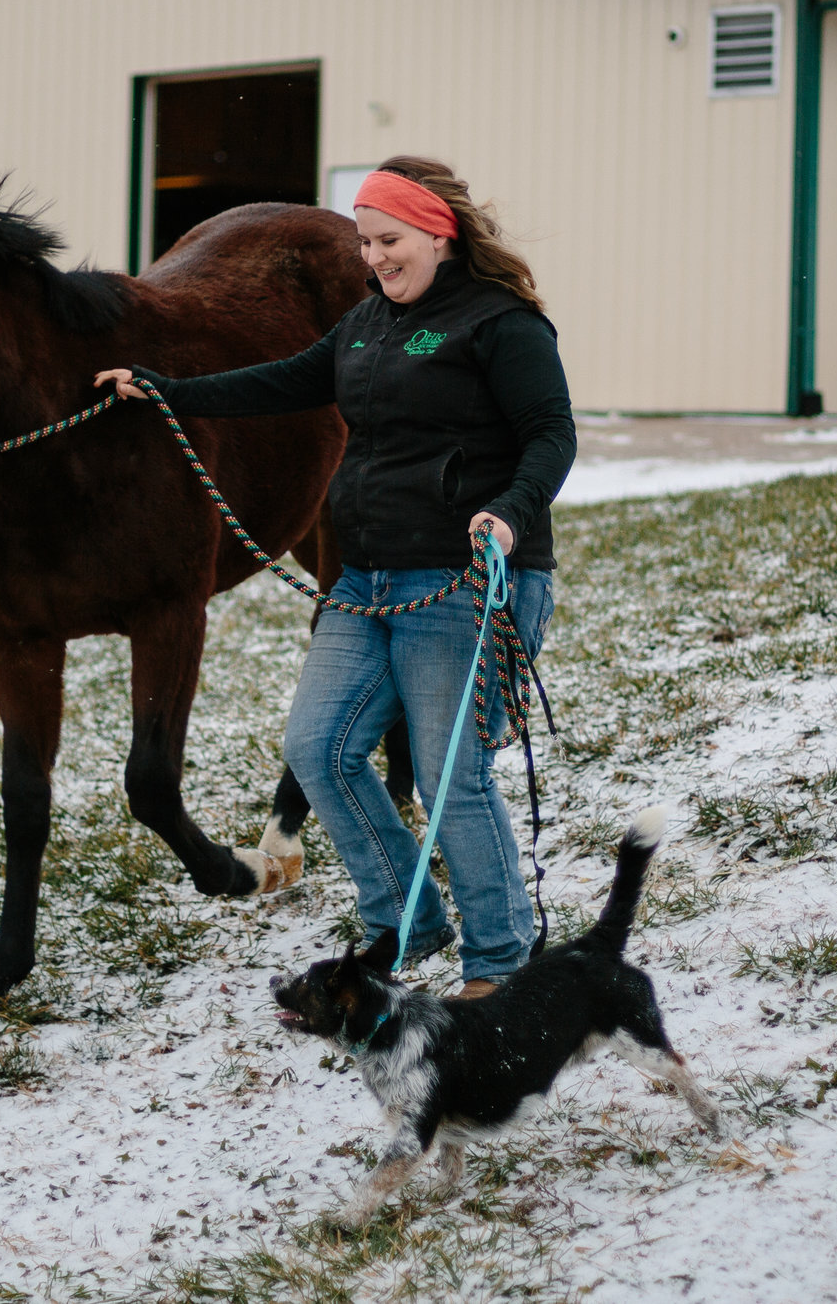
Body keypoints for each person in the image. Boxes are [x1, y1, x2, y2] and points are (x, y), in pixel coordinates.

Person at [96, 155, 575, 998]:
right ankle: (405, 917)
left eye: (390, 239)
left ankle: (498, 960)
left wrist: (511, 507)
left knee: (447, 774)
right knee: (320, 749)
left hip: (465, 578)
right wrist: (165, 389)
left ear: (440, 230)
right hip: (365, 581)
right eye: (365, 242)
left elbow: (551, 433)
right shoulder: (365, 323)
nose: (376, 256)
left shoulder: (501, 324)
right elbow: (279, 382)